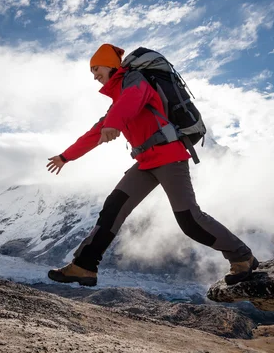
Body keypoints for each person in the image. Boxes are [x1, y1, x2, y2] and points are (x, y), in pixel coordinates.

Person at [46, 43, 258, 287]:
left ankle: (242, 257)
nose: (94, 75)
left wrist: (113, 122)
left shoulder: (135, 80)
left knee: (189, 219)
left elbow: (132, 100)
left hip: (169, 156)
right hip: (145, 161)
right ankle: (84, 267)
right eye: (92, 72)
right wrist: (65, 157)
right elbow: (97, 132)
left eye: (96, 68)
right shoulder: (118, 98)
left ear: (111, 65)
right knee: (113, 208)